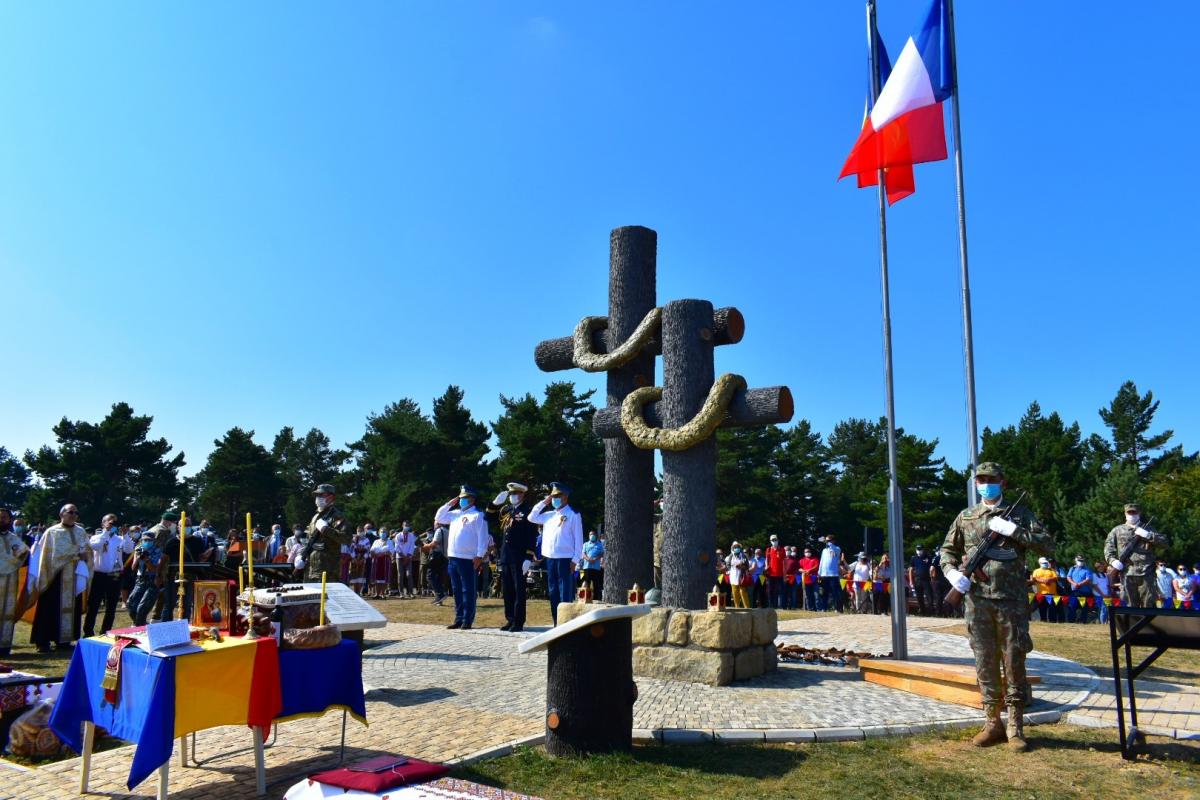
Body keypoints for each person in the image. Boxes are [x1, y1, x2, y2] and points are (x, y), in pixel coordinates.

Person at [940, 462, 1053, 751]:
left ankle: (1015, 726)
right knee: (984, 659)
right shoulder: (966, 516)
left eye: (991, 479)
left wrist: (1016, 531)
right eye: (981, 479)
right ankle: (992, 722)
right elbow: (947, 550)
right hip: (977, 601)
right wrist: (952, 573)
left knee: (1014, 659)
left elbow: (1047, 545)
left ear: (1003, 482)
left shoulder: (1020, 514)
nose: (985, 484)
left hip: (1011, 600)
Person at [22, 504, 90, 652]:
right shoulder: (52, 532)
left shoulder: (81, 531)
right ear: (61, 514)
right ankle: (43, 641)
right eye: (70, 512)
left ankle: (64, 640)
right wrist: (74, 553)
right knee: (49, 608)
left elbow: (87, 550)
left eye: (76, 513)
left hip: (74, 576)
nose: (73, 515)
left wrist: (85, 555)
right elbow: (46, 555)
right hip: (53, 576)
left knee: (71, 608)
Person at [434, 486, 491, 629]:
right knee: (456, 589)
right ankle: (459, 618)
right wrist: (449, 504)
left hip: (468, 558)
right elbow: (439, 517)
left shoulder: (478, 515)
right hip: (453, 556)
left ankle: (467, 619)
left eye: (464, 498)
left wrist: (479, 556)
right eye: (460, 498)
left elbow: (483, 537)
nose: (461, 500)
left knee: (468, 589)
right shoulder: (455, 513)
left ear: (472, 499)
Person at [529, 482, 584, 625]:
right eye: (552, 496)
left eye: (557, 496)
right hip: (550, 558)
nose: (554, 499)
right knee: (553, 592)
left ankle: (566, 623)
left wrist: (575, 560)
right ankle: (556, 622)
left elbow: (579, 539)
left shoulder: (573, 514)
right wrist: (543, 502)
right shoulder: (549, 515)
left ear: (565, 497)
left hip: (565, 559)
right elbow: (531, 517)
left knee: (565, 592)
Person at [486, 483, 538, 632]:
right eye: (511, 494)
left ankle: (518, 621)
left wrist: (528, 556)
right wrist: (494, 504)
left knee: (518, 590)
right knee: (507, 589)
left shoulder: (527, 511)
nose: (512, 496)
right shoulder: (506, 509)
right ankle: (510, 619)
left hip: (519, 556)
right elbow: (488, 517)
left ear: (522, 494)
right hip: (506, 555)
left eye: (515, 493)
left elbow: (531, 535)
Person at [1104, 503, 1167, 608]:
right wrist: (1112, 560)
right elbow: (1108, 547)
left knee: (1148, 605)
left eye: (1134, 512)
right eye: (1129, 512)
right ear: (1125, 514)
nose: (1132, 515)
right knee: (1128, 606)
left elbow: (1164, 543)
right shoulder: (1117, 530)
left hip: (1147, 573)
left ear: (1139, 513)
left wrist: (1148, 535)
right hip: (1127, 573)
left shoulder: (1149, 529)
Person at [83, 513, 134, 637]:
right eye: (109, 521)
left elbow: (129, 549)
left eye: (114, 522)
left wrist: (126, 534)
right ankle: (88, 631)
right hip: (99, 575)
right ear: (103, 523)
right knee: (94, 604)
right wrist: (106, 532)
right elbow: (95, 546)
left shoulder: (120, 539)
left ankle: (106, 630)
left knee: (111, 606)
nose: (112, 524)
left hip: (115, 575)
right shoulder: (96, 537)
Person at [305, 484, 353, 583]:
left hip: (328, 571)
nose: (318, 498)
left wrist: (325, 529)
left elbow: (346, 538)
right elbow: (309, 539)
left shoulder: (337, 516)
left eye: (321, 495)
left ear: (330, 497)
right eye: (317, 495)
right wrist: (301, 555)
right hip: (310, 569)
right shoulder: (315, 517)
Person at [0, 507, 31, 656]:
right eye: (0, 517)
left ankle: (4, 645)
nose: (2, 520)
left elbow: (23, 554)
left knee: (7, 611)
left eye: (4, 517)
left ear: (9, 520)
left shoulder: (13, 538)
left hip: (10, 581)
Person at [127, 532, 162, 626]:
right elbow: (133, 568)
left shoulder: (158, 551)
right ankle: (140, 624)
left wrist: (146, 559)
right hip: (140, 579)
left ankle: (140, 624)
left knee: (142, 607)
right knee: (131, 604)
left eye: (149, 540)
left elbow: (154, 569)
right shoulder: (138, 549)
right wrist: (138, 557)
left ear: (153, 541)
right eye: (144, 540)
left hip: (152, 579)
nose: (146, 542)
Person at [817, 535, 843, 612]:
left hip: (833, 575)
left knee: (835, 592)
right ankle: (824, 608)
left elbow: (834, 548)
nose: (827, 542)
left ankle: (836, 608)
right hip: (824, 574)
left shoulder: (837, 549)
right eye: (826, 541)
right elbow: (821, 561)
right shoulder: (824, 550)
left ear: (833, 541)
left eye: (829, 540)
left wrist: (827, 542)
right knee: (824, 592)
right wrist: (819, 572)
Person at [1028, 557, 1058, 622]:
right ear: (1039, 563)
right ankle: (1043, 620)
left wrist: (1049, 579)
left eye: (1046, 563)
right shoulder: (1036, 571)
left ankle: (1052, 621)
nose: (1045, 564)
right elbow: (1034, 579)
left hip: (1052, 593)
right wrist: (1043, 581)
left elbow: (1056, 578)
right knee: (1042, 608)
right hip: (1041, 593)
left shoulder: (1052, 570)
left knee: (1052, 609)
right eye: (1043, 563)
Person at [1066, 555, 1093, 624]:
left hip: (1085, 592)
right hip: (1074, 591)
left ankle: (1082, 621)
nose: (1081, 562)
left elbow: (1088, 579)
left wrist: (1080, 584)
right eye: (1079, 560)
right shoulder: (1072, 568)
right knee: (1072, 606)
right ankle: (1071, 621)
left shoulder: (1087, 569)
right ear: (1076, 561)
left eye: (1082, 560)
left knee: (1084, 607)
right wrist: (1074, 583)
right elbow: (1068, 577)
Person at [392, 523, 417, 598]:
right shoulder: (398, 535)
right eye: (405, 525)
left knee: (409, 574)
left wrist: (408, 556)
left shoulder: (411, 535)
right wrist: (403, 556)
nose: (407, 527)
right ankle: (401, 592)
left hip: (408, 557)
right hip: (399, 557)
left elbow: (412, 546)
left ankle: (410, 592)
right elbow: (397, 547)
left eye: (408, 526)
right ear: (402, 526)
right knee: (400, 575)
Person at [909, 545, 934, 616]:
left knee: (929, 596)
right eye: (917, 549)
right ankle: (922, 612)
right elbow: (911, 570)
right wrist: (911, 581)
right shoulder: (914, 558)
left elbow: (932, 568)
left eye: (920, 549)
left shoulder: (928, 557)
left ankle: (930, 612)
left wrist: (932, 578)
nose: (919, 551)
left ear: (923, 550)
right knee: (919, 597)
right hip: (917, 580)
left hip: (927, 580)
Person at [580, 530, 605, 598]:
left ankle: (596, 598)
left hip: (596, 567)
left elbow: (602, 553)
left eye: (593, 534)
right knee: (586, 582)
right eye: (590, 534)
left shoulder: (599, 544)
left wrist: (596, 559)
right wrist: (588, 559)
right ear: (589, 536)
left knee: (596, 583)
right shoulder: (585, 544)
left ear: (596, 536)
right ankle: (586, 597)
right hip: (587, 566)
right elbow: (583, 553)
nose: (592, 536)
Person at [764, 535, 786, 609]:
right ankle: (771, 605)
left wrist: (785, 573)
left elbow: (784, 562)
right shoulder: (768, 549)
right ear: (770, 541)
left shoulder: (782, 549)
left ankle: (780, 606)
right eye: (772, 540)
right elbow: (767, 560)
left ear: (778, 540)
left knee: (780, 590)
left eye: (775, 540)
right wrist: (766, 568)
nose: (774, 541)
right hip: (771, 573)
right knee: (770, 590)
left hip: (780, 574)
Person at [368, 531, 392, 599]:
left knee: (384, 578)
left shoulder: (389, 541)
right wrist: (377, 553)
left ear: (387, 533)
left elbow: (391, 551)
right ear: (379, 533)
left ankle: (383, 594)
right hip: (377, 560)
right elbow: (372, 550)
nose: (383, 533)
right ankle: (377, 593)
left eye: (384, 532)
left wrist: (382, 553)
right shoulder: (376, 541)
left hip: (385, 560)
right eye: (381, 532)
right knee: (377, 578)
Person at [727, 543, 751, 609]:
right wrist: (731, 568)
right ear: (733, 549)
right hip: (733, 575)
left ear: (740, 548)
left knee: (743, 592)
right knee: (735, 592)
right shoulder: (731, 556)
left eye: (738, 547)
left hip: (741, 576)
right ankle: (737, 607)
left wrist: (742, 566)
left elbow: (747, 566)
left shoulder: (743, 555)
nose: (736, 548)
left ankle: (747, 607)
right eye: (735, 547)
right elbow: (728, 564)